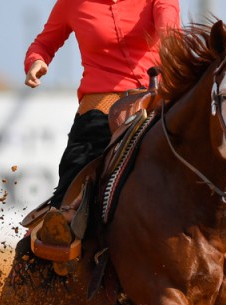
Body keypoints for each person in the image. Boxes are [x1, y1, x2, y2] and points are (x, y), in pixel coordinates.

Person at [23, 0, 181, 257]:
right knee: (73, 177)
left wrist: (172, 43)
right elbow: (43, 43)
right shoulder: (72, 3)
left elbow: (169, 27)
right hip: (100, 108)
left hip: (157, 102)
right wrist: (36, 60)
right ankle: (50, 253)